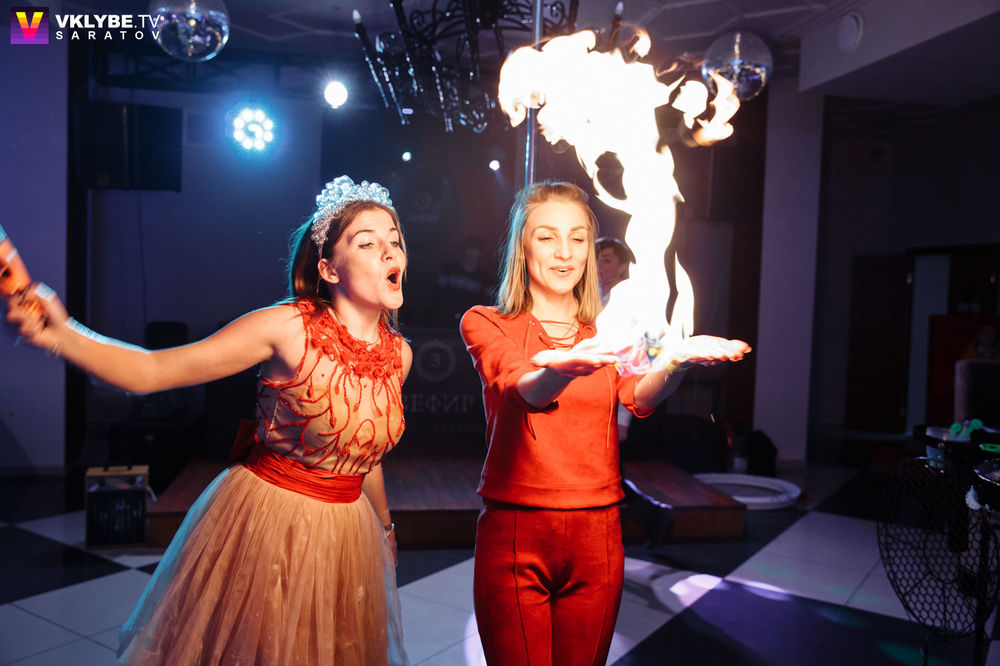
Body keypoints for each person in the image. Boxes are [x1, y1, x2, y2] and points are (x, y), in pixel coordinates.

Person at [5, 176, 411, 666]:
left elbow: (364, 452)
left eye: (394, 241)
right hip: (272, 521)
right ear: (328, 268)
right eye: (367, 243)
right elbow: (152, 371)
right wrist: (63, 334)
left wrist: (384, 527)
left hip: (350, 532)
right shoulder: (287, 328)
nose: (389, 252)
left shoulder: (399, 355)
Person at [460, 181, 749, 666]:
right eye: (547, 237)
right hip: (517, 530)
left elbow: (639, 395)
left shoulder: (609, 328)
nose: (564, 252)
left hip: (598, 533)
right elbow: (523, 389)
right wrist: (564, 366)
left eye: (577, 238)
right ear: (522, 246)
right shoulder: (487, 321)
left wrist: (675, 361)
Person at [595, 235, 635, 307]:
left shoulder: (629, 295)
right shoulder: (589, 292)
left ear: (622, 267)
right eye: (596, 259)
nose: (598, 265)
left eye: (606, 261)